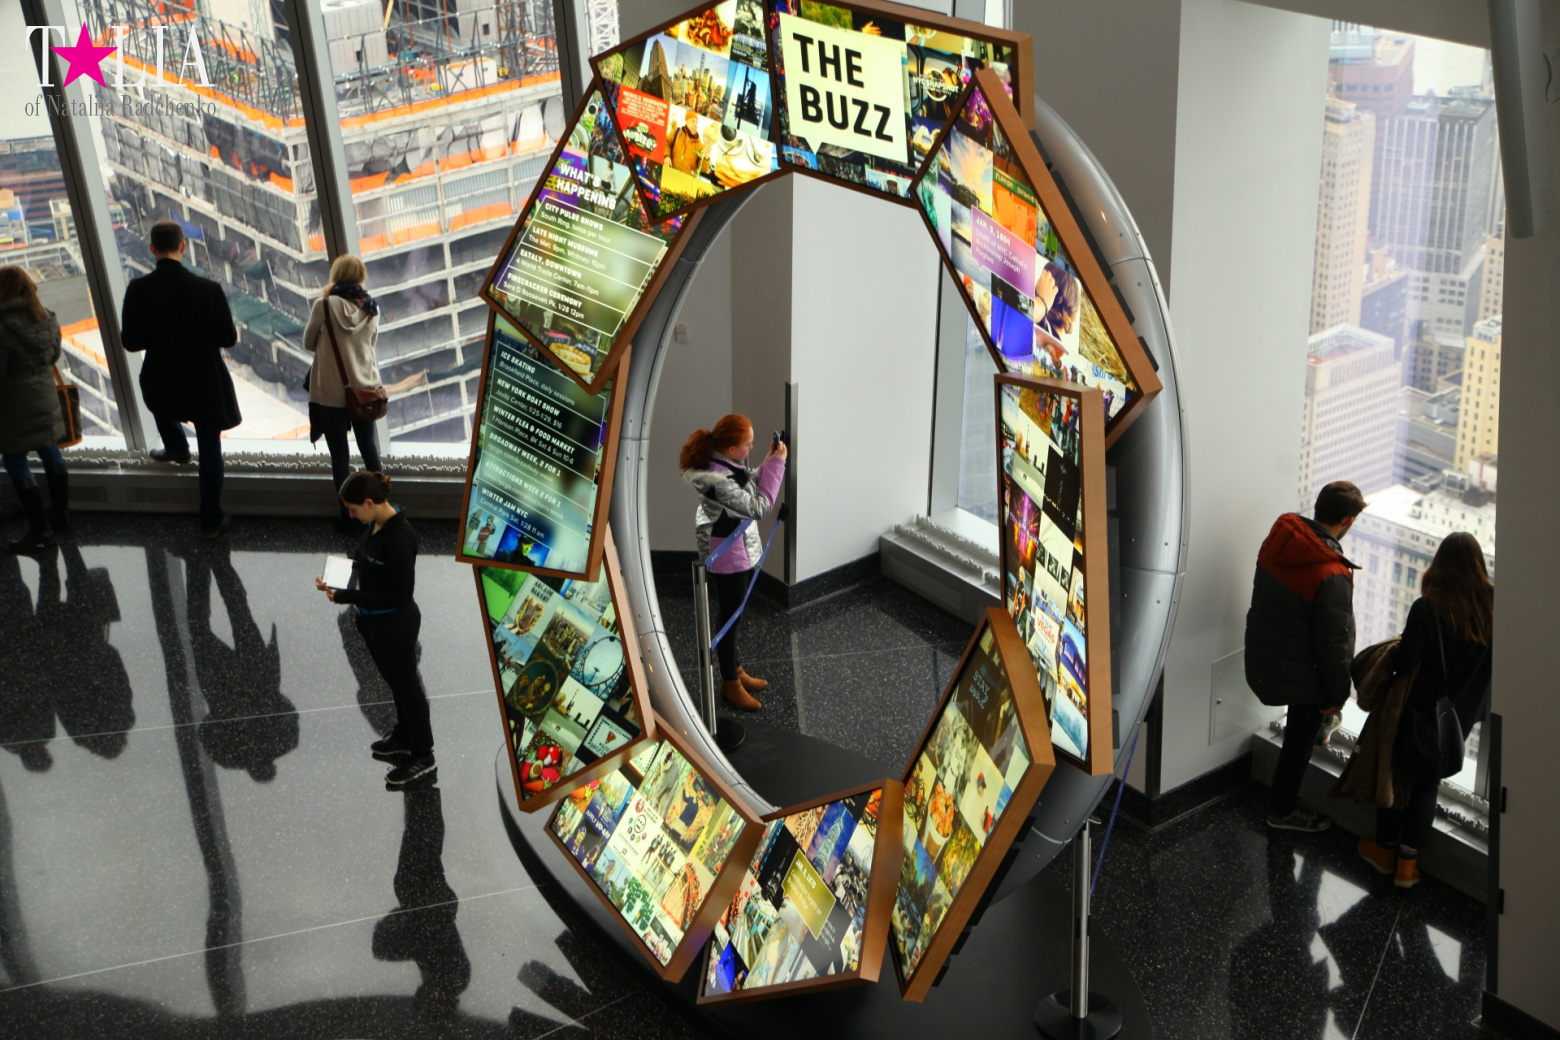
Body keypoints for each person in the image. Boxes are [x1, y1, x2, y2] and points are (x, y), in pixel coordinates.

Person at [1358, 532, 1492, 889]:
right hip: (1455, 720)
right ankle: (1408, 865)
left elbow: (1405, 662)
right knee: (1428, 784)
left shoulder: (1428, 606)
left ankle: (1385, 853)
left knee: (1400, 779)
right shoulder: (1493, 607)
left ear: (1440, 564)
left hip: (1418, 711)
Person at [1245, 480, 1365, 832]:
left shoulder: (1283, 536)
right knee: (1298, 745)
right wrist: (1337, 696)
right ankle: (1281, 812)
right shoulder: (1331, 572)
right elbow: (1333, 643)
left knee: (1307, 727)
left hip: (1270, 654)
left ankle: (1322, 728)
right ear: (1348, 520)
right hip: (1305, 671)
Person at [120, 219, 241, 539]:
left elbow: (131, 342)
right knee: (210, 446)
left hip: (163, 377)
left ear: (152, 249)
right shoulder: (209, 289)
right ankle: (210, 519)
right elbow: (227, 339)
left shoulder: (138, 289)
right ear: (183, 247)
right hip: (205, 378)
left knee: (158, 400)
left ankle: (176, 445)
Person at [315, 471, 435, 788]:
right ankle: (404, 736)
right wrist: (337, 579)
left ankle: (423, 755)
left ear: (369, 502)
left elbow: (400, 595)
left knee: (408, 688)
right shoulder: (375, 524)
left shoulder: (401, 538)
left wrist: (346, 596)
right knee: (395, 682)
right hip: (372, 621)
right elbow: (362, 559)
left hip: (394, 624)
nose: (352, 516)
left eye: (354, 509)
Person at [680, 414, 786, 711]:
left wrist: (768, 460)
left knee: (733, 615)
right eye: (748, 445)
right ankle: (729, 683)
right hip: (725, 551)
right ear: (730, 448)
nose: (750, 450)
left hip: (734, 544)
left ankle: (735, 671)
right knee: (730, 618)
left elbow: (749, 480)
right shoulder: (717, 478)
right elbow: (759, 507)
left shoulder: (724, 463)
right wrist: (778, 465)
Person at [304, 254, 383, 533]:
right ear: (361, 276)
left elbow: (307, 343)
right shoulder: (372, 308)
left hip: (330, 394)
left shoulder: (323, 306)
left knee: (340, 457)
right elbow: (370, 346)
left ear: (335, 275)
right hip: (363, 392)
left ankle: (348, 517)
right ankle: (379, 513)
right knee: (370, 452)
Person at [0, 266, 68, 552]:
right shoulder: (46, 317)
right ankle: (61, 519)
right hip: (45, 394)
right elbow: (54, 355)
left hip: (14, 402)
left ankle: (39, 531)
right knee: (50, 451)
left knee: (15, 461)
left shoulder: (3, 326)